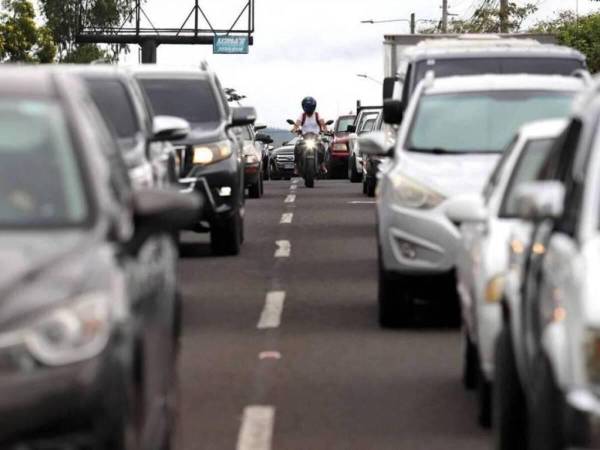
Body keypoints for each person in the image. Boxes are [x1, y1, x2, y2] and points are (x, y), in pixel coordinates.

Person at [292, 97, 328, 174]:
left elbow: (322, 123)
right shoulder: (302, 115)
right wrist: (294, 128)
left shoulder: (317, 115)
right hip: (305, 137)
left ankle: (322, 164)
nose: (309, 109)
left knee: (322, 147)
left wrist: (326, 129)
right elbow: (297, 123)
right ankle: (296, 166)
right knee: (297, 147)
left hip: (315, 137)